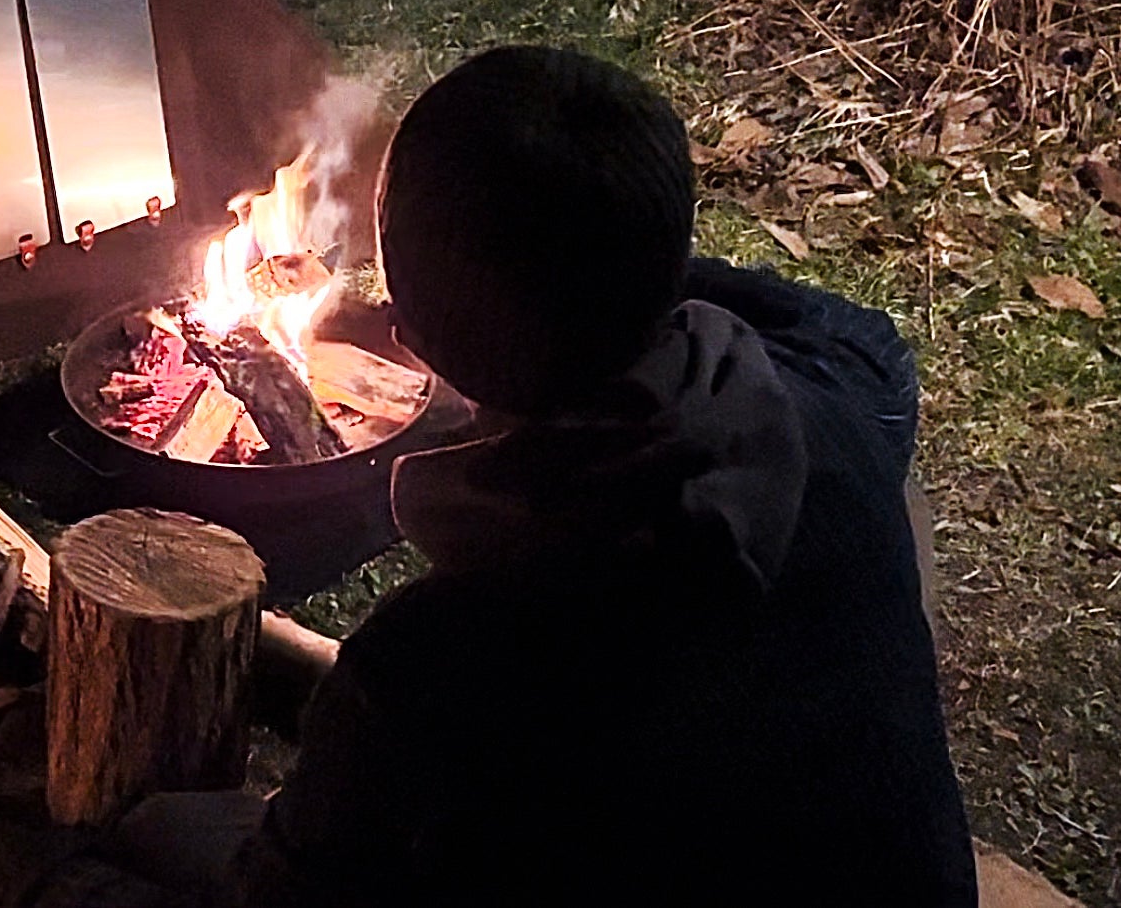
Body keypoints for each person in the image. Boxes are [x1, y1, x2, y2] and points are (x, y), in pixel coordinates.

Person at [115, 45, 976, 906]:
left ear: (415, 335)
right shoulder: (844, 409)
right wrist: (602, 257)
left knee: (149, 836)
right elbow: (860, 339)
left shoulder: (441, 658)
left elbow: (282, 894)